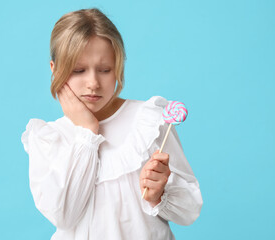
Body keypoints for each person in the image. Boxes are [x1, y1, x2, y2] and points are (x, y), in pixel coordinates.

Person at [21, 8, 203, 240]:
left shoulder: (149, 121)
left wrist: (159, 194)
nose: (93, 83)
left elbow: (190, 211)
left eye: (104, 70)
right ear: (54, 70)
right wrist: (87, 131)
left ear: (118, 67)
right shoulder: (48, 138)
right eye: (78, 70)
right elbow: (64, 216)